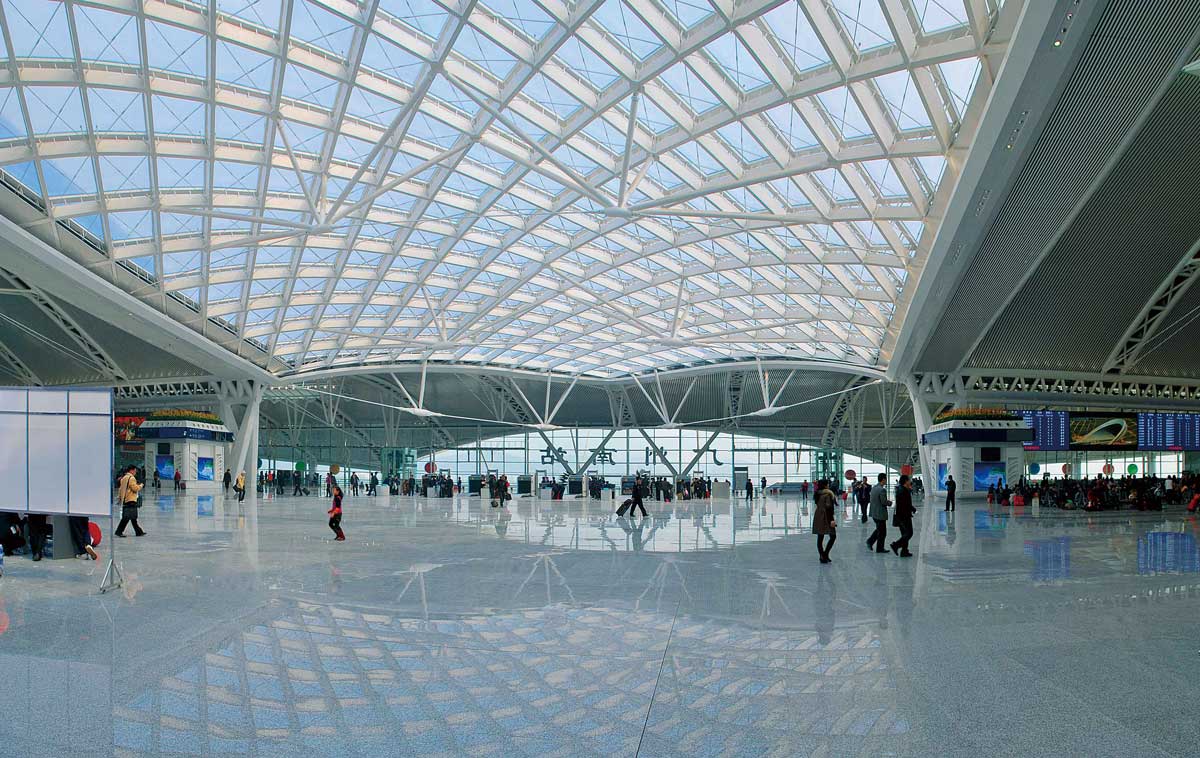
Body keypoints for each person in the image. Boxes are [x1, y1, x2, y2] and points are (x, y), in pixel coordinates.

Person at [115, 464, 146, 537]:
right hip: (131, 499)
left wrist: (120, 498)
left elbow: (120, 489)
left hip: (126, 499)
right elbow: (135, 488)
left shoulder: (124, 478)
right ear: (131, 470)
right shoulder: (131, 478)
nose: (135, 472)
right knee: (127, 518)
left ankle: (139, 532)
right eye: (135, 471)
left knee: (133, 517)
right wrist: (141, 485)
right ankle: (119, 531)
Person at [890, 474, 915, 557]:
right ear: (905, 481)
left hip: (900, 515)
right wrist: (912, 509)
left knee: (904, 533)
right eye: (909, 480)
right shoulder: (904, 491)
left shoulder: (900, 489)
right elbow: (906, 504)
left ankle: (904, 551)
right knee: (909, 533)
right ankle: (896, 545)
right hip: (904, 516)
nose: (910, 481)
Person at [813, 479, 837, 564]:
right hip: (826, 517)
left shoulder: (817, 494)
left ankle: (822, 555)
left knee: (820, 537)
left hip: (818, 515)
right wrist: (832, 520)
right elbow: (828, 508)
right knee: (833, 536)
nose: (828, 485)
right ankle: (825, 554)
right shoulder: (828, 494)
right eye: (827, 484)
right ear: (825, 485)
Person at [866, 473, 890, 553]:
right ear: (883, 479)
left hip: (874, 513)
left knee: (879, 530)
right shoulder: (882, 490)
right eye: (886, 479)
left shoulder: (874, 488)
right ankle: (878, 547)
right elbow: (883, 502)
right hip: (880, 513)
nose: (886, 480)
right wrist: (890, 503)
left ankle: (870, 542)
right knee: (882, 532)